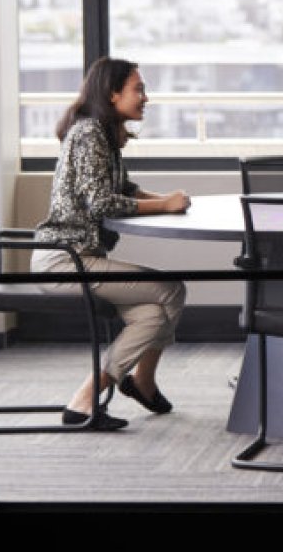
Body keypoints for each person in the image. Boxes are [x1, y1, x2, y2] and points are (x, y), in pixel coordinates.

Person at [31, 57, 191, 430]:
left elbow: (123, 190)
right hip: (64, 260)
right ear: (112, 93)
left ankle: (117, 390)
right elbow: (99, 202)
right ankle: (103, 393)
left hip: (81, 256)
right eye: (139, 89)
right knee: (170, 289)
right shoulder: (89, 134)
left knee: (151, 314)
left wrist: (164, 199)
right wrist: (164, 204)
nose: (145, 97)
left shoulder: (102, 133)